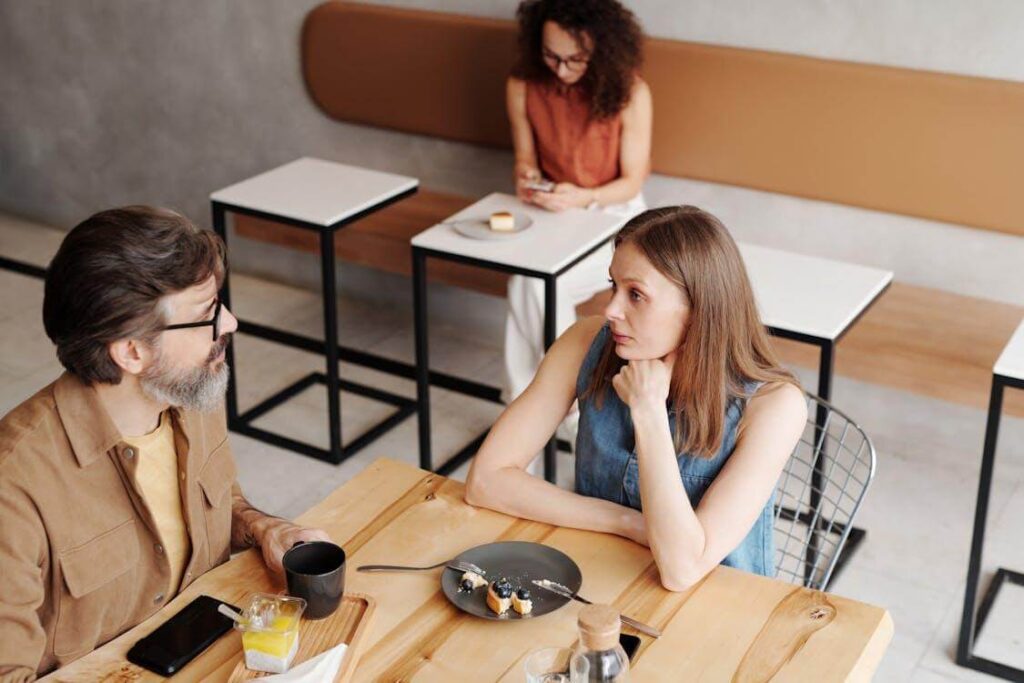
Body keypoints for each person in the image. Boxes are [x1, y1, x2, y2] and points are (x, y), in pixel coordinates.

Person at [0, 206, 330, 679]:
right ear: (132, 352)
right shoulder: (14, 485)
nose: (230, 323)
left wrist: (263, 528)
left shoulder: (190, 393)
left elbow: (216, 501)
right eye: (207, 314)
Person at [466, 206, 808, 590]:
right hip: (601, 578)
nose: (611, 309)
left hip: (717, 610)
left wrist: (648, 411)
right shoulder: (585, 342)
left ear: (699, 310)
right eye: (613, 286)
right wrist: (626, 522)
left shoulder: (776, 406)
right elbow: (485, 480)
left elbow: (682, 570)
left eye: (636, 295)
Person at [505, 0, 653, 403]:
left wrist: (584, 196)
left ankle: (550, 403)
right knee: (529, 281)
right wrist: (528, 180)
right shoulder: (522, 85)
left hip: (615, 215)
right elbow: (524, 160)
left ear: (601, 50)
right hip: (554, 212)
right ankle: (550, 404)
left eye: (575, 59)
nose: (562, 69)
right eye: (551, 56)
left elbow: (630, 181)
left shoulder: (631, 92)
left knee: (539, 284)